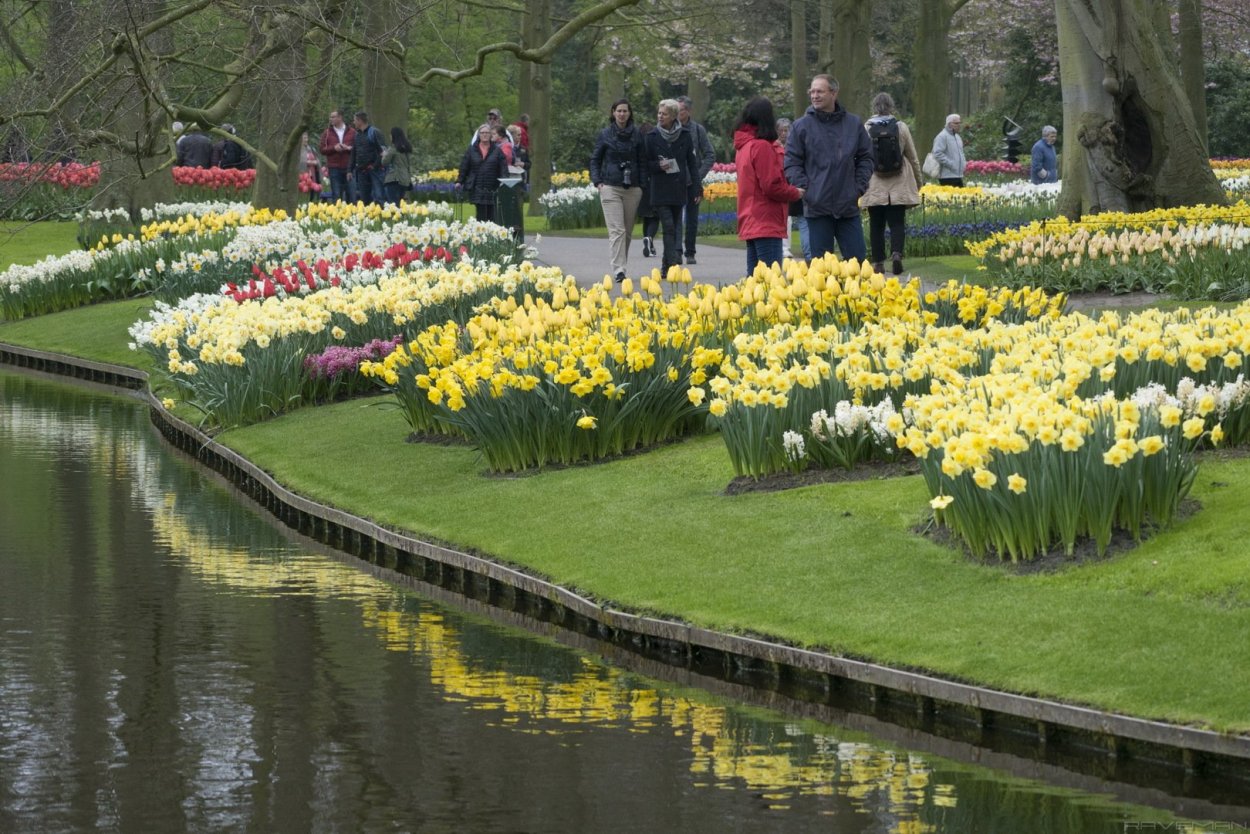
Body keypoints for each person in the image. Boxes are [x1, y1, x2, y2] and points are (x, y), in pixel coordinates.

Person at [783, 74, 873, 263]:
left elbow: (866, 157)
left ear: (834, 93)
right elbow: (792, 162)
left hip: (847, 206)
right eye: (812, 92)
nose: (814, 96)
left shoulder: (853, 124)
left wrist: (858, 187)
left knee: (857, 262)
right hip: (817, 207)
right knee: (821, 267)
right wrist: (806, 189)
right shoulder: (801, 126)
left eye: (820, 91)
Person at [734, 97, 802, 276]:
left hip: (750, 217)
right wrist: (795, 193)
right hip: (765, 218)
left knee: (755, 278)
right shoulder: (761, 147)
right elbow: (771, 186)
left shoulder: (744, 146)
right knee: (771, 278)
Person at [862, 92, 923, 276]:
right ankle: (896, 254)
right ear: (891, 106)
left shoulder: (866, 128)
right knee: (897, 223)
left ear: (874, 106)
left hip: (875, 184)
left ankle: (878, 262)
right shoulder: (900, 127)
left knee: (876, 225)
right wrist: (919, 182)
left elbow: (860, 157)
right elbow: (912, 157)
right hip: (899, 183)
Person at [590, 98, 648, 283]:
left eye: (625, 111)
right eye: (619, 111)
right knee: (617, 230)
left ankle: (622, 264)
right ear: (613, 113)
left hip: (632, 188)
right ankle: (619, 270)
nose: (622, 114)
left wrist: (642, 185)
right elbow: (595, 160)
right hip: (610, 187)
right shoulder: (605, 134)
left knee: (627, 232)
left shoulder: (637, 135)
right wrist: (598, 181)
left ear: (629, 113)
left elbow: (643, 160)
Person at [644, 99, 701, 278]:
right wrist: (658, 166)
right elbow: (645, 164)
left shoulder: (684, 135)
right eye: (659, 113)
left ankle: (665, 264)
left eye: (664, 114)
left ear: (673, 116)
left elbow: (692, 164)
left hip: (678, 188)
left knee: (675, 227)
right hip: (660, 190)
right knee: (668, 226)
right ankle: (672, 265)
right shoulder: (652, 136)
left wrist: (697, 188)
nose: (660, 116)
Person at [676, 96, 715, 265]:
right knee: (675, 218)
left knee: (692, 219)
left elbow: (710, 154)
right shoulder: (669, 129)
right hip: (674, 181)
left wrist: (698, 175)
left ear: (688, 111)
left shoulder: (698, 130)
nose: (677, 114)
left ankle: (690, 252)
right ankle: (676, 251)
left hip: (693, 181)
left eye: (681, 110)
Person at [457, 123, 509, 222]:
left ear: (490, 135)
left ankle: (490, 231)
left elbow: (503, 167)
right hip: (477, 186)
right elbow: (464, 167)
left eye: (487, 133)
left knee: (492, 215)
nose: (485, 135)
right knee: (481, 214)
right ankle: (480, 231)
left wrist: (504, 181)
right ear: (479, 135)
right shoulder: (471, 150)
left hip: (492, 186)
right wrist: (459, 181)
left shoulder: (497, 150)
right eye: (482, 133)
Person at [775, 117, 808, 261]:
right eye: (781, 130)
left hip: (794, 184)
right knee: (785, 218)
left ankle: (804, 250)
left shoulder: (795, 145)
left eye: (786, 130)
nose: (784, 133)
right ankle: (784, 247)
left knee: (800, 217)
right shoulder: (774, 147)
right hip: (783, 185)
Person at [350, 111, 387, 205]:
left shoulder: (374, 132)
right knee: (364, 198)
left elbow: (383, 152)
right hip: (361, 171)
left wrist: (374, 166)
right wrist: (349, 170)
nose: (353, 122)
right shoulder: (357, 135)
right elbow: (354, 153)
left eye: (354, 120)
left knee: (379, 196)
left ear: (359, 120)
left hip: (375, 171)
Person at [319, 110, 355, 203]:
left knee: (351, 194)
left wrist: (349, 148)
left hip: (349, 167)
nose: (330, 119)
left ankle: (352, 211)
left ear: (340, 117)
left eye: (333, 117)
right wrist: (334, 148)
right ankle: (337, 211)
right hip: (334, 167)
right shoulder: (327, 133)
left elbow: (358, 147)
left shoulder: (352, 132)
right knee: (336, 194)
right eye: (330, 117)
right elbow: (322, 149)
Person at [932, 113, 966, 186]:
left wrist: (963, 164)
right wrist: (951, 164)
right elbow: (937, 153)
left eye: (960, 123)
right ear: (949, 124)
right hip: (947, 176)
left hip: (958, 175)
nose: (959, 125)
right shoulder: (942, 136)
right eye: (956, 123)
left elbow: (961, 153)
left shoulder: (958, 137)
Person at [382, 127, 414, 205]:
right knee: (400, 202)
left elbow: (384, 162)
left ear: (394, 136)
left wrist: (384, 155)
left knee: (393, 203)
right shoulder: (407, 149)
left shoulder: (393, 149)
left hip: (394, 179)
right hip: (405, 179)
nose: (390, 136)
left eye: (390, 134)